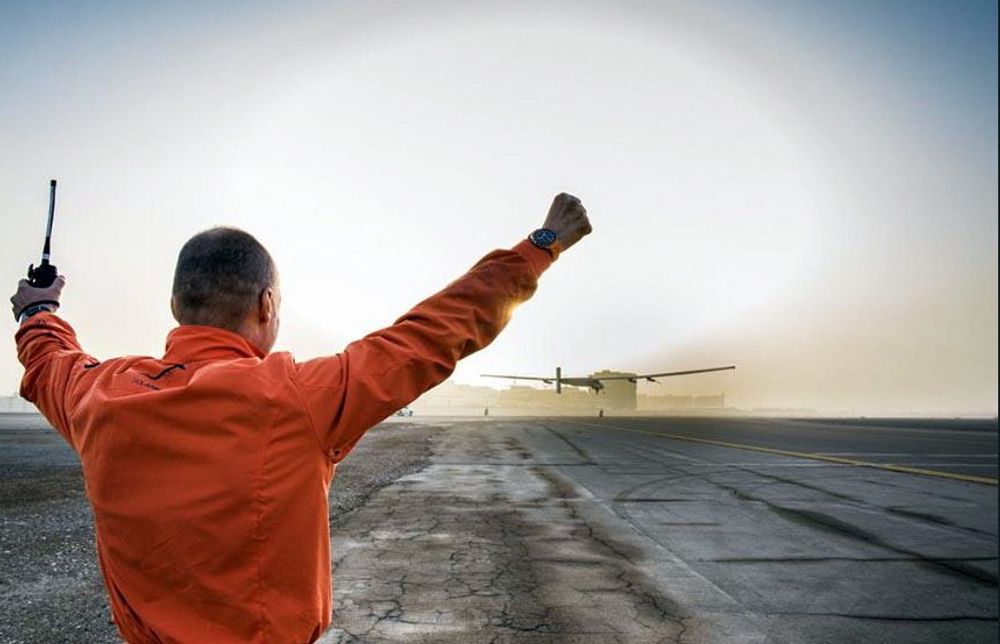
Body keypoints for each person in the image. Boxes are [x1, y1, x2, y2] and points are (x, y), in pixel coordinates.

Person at [10, 192, 591, 643]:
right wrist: (542, 245)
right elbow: (433, 333)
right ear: (267, 305)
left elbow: (49, 358)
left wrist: (39, 309)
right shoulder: (295, 395)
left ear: (175, 306)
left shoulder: (99, 396)